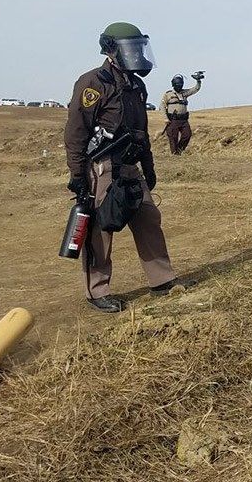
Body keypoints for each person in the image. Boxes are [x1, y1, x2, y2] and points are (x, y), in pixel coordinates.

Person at [65, 22, 193, 314]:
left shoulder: (136, 85)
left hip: (130, 166)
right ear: (111, 50)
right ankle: (97, 291)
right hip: (102, 167)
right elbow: (75, 133)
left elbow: (141, 131)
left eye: (138, 47)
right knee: (100, 228)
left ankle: (162, 280)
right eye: (130, 48)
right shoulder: (92, 83)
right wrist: (78, 175)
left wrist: (148, 166)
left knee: (149, 219)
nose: (136, 54)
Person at [160, 72, 203, 155]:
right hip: (173, 120)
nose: (179, 86)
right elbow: (162, 106)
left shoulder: (185, 93)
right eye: (177, 84)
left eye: (180, 84)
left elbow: (195, 89)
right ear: (173, 84)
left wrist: (198, 81)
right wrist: (165, 118)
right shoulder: (168, 94)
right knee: (173, 137)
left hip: (184, 120)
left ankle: (179, 151)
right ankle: (174, 154)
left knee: (187, 135)